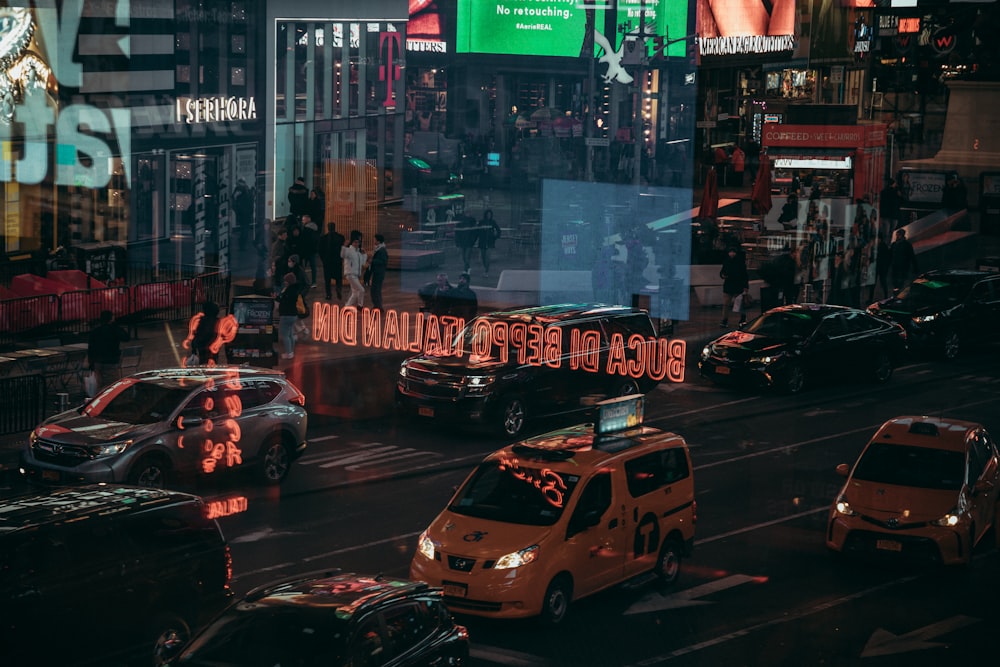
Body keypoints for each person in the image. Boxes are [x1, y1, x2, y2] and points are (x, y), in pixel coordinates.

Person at [87, 309, 129, 394]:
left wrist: (91, 362)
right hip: (111, 361)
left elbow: (91, 348)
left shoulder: (95, 331)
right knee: (111, 386)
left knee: (99, 384)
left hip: (98, 361)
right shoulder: (115, 330)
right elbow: (126, 338)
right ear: (111, 319)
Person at [719, 246, 750, 328]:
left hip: (736, 285)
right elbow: (722, 272)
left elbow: (744, 275)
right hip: (730, 285)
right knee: (726, 304)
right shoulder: (727, 261)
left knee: (739, 304)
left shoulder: (740, 263)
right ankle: (725, 320)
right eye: (730, 252)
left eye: (733, 252)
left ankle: (742, 319)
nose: (731, 254)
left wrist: (745, 286)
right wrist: (722, 275)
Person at [276, 273, 300, 359]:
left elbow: (282, 300)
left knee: (285, 335)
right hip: (293, 314)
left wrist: (280, 295)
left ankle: (289, 353)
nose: (284, 282)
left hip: (286, 315)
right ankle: (291, 352)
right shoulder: (295, 290)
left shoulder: (288, 290)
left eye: (286, 281)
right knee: (290, 334)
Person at [318, 222, 345, 300]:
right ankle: (338, 288)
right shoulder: (340, 237)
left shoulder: (323, 238)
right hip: (337, 261)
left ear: (328, 228)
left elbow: (320, 250)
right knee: (338, 277)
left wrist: (323, 259)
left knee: (327, 279)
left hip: (327, 261)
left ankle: (328, 294)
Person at [341, 230, 368, 307]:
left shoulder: (358, 253)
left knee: (355, 292)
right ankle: (360, 305)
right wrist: (344, 246)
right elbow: (342, 255)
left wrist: (364, 254)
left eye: (358, 242)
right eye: (355, 242)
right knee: (361, 290)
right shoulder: (348, 250)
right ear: (352, 242)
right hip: (350, 273)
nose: (356, 244)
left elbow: (362, 263)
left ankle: (347, 306)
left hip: (355, 274)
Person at [191, 301, 221, 365]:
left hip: (203, 346)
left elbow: (197, 334)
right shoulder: (218, 322)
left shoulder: (202, 321)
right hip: (213, 347)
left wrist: (194, 346)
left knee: (203, 362)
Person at [889, 228, 918, 292]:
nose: (897, 236)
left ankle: (898, 292)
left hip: (902, 266)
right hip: (896, 266)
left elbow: (911, 255)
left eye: (898, 235)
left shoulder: (905, 245)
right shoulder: (895, 244)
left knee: (900, 281)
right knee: (896, 281)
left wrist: (915, 267)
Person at [477, 209, 501, 277]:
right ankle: (485, 268)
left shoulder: (493, 222)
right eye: (488, 215)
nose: (489, 216)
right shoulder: (481, 222)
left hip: (490, 242)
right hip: (482, 242)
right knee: (483, 257)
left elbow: (498, 230)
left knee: (488, 257)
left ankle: (486, 270)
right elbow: (477, 231)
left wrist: (495, 237)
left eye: (490, 215)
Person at [232, 178, 254, 251]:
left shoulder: (239, 190)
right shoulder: (247, 190)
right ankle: (242, 244)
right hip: (246, 213)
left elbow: (234, 200)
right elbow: (251, 202)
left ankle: (242, 244)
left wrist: (237, 210)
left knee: (244, 229)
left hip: (242, 213)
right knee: (245, 229)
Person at [368, 234, 389, 310]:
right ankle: (378, 305)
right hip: (378, 272)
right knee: (376, 289)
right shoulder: (379, 249)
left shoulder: (381, 250)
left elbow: (383, 261)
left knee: (375, 289)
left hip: (378, 272)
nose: (373, 241)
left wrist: (373, 261)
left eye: (374, 239)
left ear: (378, 241)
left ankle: (378, 306)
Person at [299, 213, 320, 287]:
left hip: (306, 251)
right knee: (313, 267)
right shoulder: (315, 228)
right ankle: (314, 282)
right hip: (313, 250)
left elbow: (303, 240)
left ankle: (303, 281)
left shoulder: (305, 229)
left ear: (308, 220)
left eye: (303, 220)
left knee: (303, 267)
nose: (302, 221)